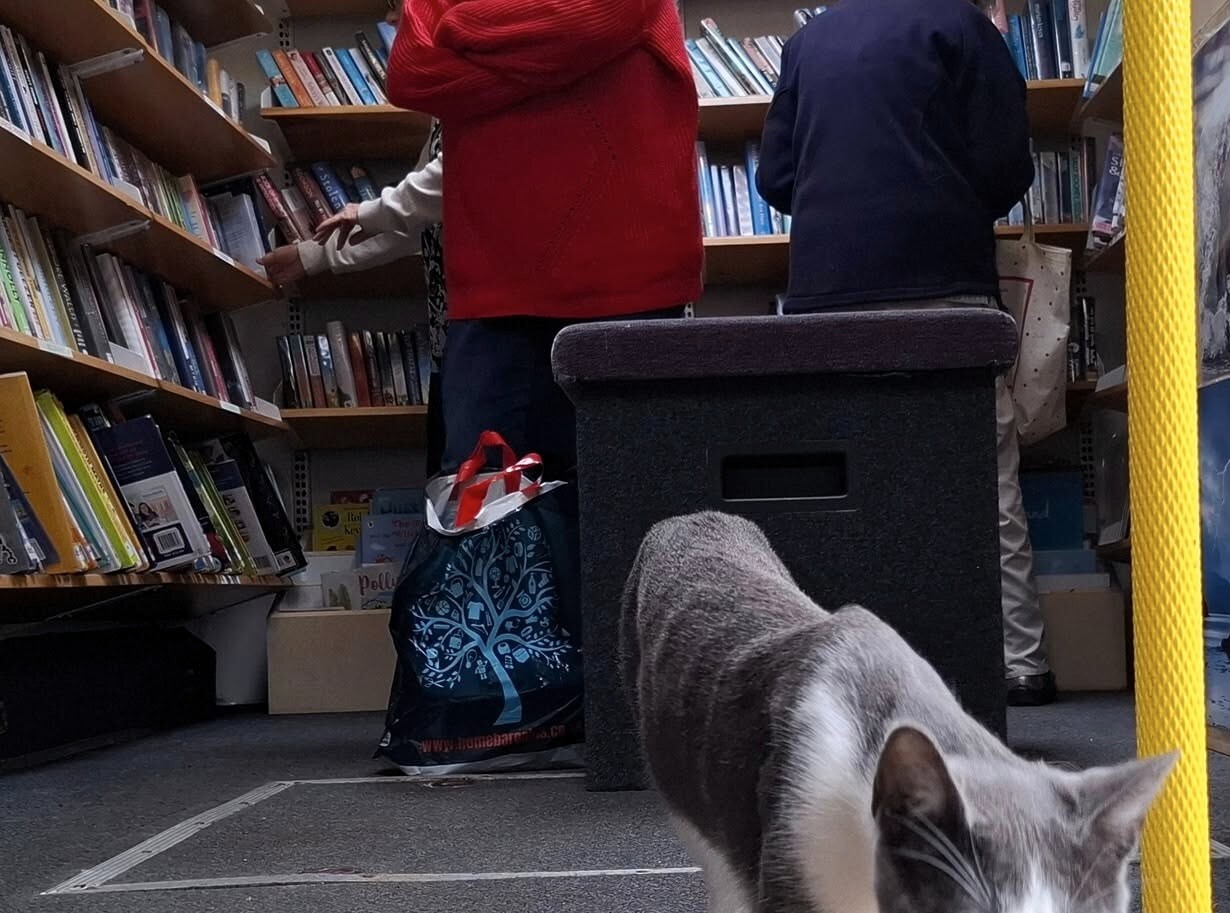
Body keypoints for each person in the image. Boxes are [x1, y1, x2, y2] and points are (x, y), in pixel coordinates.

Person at [756, 0, 1055, 707]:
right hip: (942, 284)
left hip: (828, 296)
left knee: (842, 486)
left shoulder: (806, 42)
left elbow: (774, 179)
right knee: (985, 477)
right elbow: (1008, 164)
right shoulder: (961, 27)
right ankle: (1020, 662)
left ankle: (841, 665)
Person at [386, 0, 702, 476]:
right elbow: (410, 72)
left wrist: (457, 21)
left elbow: (608, 13)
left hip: (622, 291)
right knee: (485, 516)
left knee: (629, 506)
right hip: (498, 297)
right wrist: (550, 58)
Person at [260, 128, 449, 473]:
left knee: (496, 495)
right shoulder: (445, 117)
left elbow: (448, 183)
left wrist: (364, 213)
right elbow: (412, 220)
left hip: (498, 337)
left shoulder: (493, 95)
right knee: (452, 490)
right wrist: (311, 255)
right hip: (451, 346)